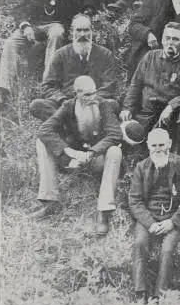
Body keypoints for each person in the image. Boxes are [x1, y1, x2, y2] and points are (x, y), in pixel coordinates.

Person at [30, 76, 122, 237]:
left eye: (94, 93)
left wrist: (91, 153)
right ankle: (50, 200)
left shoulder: (103, 104)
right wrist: (69, 152)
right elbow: (45, 130)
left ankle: (104, 211)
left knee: (115, 151)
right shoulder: (68, 106)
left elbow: (115, 133)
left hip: (96, 159)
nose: (92, 98)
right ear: (76, 94)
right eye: (87, 95)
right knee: (42, 141)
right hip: (73, 160)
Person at [0, 0, 80, 108]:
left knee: (57, 33)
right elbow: (20, 6)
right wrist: (25, 26)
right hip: (33, 26)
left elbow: (74, 7)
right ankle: (3, 91)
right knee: (10, 43)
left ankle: (48, 86)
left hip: (56, 24)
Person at [129, 128, 180, 302]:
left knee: (167, 250)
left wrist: (173, 222)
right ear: (147, 146)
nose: (158, 149)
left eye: (162, 145)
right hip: (148, 218)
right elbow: (135, 201)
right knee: (139, 243)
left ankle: (160, 295)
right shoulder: (141, 167)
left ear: (169, 144)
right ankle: (140, 293)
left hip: (172, 217)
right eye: (154, 146)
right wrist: (150, 223)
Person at [120, 22, 180, 157]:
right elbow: (135, 84)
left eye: (175, 39)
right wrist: (127, 108)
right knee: (132, 141)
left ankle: (179, 155)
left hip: (171, 116)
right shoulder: (149, 57)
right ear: (162, 40)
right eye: (167, 38)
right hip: (146, 113)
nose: (171, 42)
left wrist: (171, 107)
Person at [30, 14, 119, 121]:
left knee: (112, 104)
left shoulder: (105, 55)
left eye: (86, 30)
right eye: (78, 30)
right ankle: (72, 124)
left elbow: (109, 85)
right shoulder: (60, 54)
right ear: (72, 32)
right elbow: (48, 85)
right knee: (36, 105)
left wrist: (91, 99)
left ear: (92, 31)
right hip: (66, 104)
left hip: (94, 103)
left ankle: (67, 125)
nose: (82, 34)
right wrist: (63, 100)